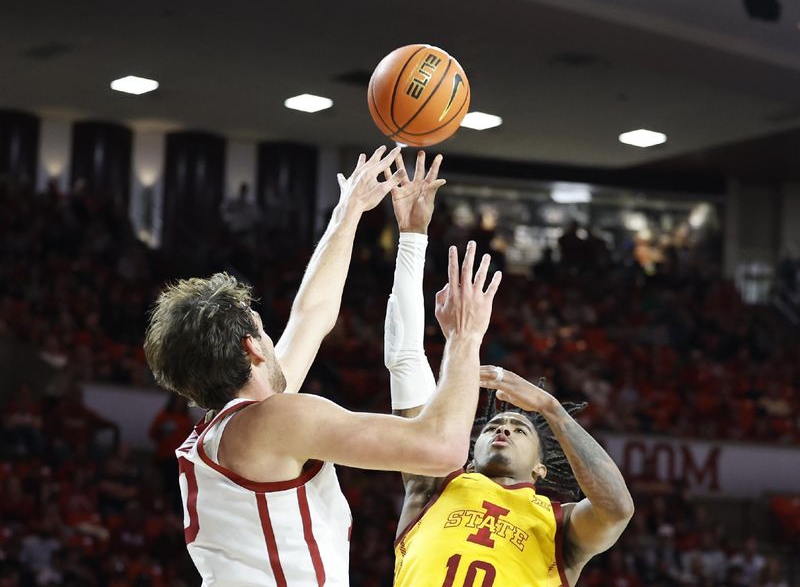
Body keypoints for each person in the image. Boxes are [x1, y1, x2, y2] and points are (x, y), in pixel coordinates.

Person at [143, 146, 503, 586]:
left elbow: (311, 318)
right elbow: (441, 450)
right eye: (264, 334)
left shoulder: (237, 426)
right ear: (252, 349)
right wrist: (465, 338)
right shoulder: (273, 421)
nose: (275, 343)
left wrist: (352, 212)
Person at [382, 154, 634, 586]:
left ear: (540, 469)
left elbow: (617, 509)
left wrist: (551, 410)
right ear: (469, 450)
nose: (503, 429)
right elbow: (404, 358)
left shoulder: (561, 525)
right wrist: (412, 237)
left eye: (519, 429)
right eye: (495, 424)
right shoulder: (433, 485)